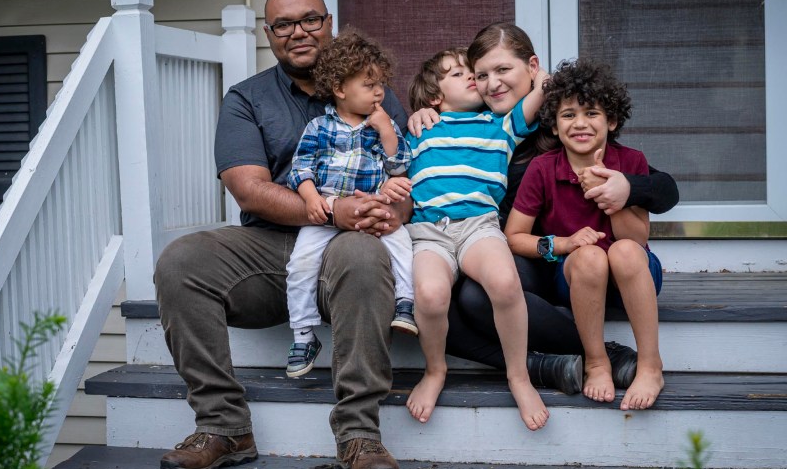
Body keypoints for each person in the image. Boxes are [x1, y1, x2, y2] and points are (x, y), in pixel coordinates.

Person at [154, 0, 410, 469]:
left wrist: (392, 210)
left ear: (329, 21)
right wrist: (332, 209)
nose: (299, 32)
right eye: (284, 25)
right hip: (271, 250)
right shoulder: (247, 100)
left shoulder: (376, 90)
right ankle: (224, 426)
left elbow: (404, 169)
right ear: (268, 35)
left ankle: (358, 432)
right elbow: (249, 190)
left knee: (360, 252)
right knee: (181, 262)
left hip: (355, 247)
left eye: (310, 20)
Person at [404, 41, 550, 431]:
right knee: (432, 295)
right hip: (429, 232)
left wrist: (542, 80)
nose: (471, 76)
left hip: (479, 226)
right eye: (458, 73)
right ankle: (435, 370)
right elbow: (387, 158)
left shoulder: (500, 125)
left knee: (504, 281)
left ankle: (518, 375)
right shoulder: (418, 130)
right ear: (434, 96)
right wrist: (413, 116)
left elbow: (538, 96)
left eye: (473, 71)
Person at [504, 58, 666, 411]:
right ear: (555, 124)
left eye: (591, 113)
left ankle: (651, 364)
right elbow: (514, 236)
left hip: (634, 275)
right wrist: (564, 244)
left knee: (622, 251)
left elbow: (636, 238)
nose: (580, 123)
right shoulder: (542, 168)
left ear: (611, 120)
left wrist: (611, 194)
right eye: (568, 114)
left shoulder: (631, 161)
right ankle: (596, 361)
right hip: (577, 277)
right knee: (591, 256)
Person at [284, 29, 416, 378]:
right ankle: (303, 334)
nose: (379, 93)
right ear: (341, 89)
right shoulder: (319, 126)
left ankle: (405, 303)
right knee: (300, 264)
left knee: (402, 244)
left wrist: (387, 130)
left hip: (375, 209)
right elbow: (301, 166)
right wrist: (312, 198)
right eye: (369, 85)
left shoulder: (380, 127)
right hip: (327, 211)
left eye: (381, 85)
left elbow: (399, 164)